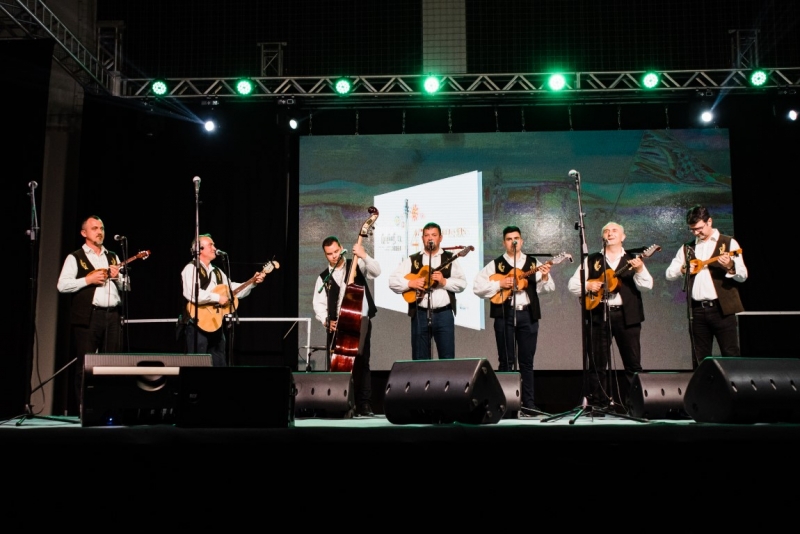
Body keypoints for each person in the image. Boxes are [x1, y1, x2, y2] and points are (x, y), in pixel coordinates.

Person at [567, 222, 653, 407]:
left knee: (633, 364)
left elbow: (647, 285)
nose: (610, 233)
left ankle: (635, 405)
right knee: (598, 365)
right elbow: (573, 285)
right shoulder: (591, 260)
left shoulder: (633, 259)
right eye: (606, 230)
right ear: (602, 237)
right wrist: (588, 285)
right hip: (598, 316)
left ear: (623, 237)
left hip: (627, 317)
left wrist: (639, 269)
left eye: (615, 231)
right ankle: (598, 404)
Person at [473, 226, 554, 415]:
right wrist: (499, 283)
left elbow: (548, 288)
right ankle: (505, 405)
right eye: (509, 239)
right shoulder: (496, 264)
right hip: (504, 314)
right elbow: (477, 287)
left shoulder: (533, 262)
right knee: (505, 361)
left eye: (516, 238)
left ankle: (529, 403)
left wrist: (544, 275)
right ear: (504, 242)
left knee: (527, 361)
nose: (513, 242)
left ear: (522, 241)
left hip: (527, 315)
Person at [57, 215, 130, 407]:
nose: (100, 232)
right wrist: (87, 280)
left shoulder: (112, 256)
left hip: (112, 315)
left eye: (102, 228)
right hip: (89, 316)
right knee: (86, 364)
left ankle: (109, 407)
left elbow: (127, 286)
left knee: (112, 364)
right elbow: (62, 286)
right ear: (84, 233)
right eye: (95, 228)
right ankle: (84, 408)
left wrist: (118, 278)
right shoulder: (75, 257)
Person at [665, 205, 747, 368]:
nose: (696, 233)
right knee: (700, 357)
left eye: (699, 228)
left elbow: (742, 276)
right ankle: (703, 392)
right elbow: (669, 273)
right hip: (697, 310)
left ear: (709, 221)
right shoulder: (688, 248)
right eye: (692, 230)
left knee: (730, 354)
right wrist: (684, 269)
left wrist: (730, 265)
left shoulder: (728, 242)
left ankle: (733, 392)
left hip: (722, 309)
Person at [312, 236, 381, 417]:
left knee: (362, 362)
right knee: (339, 364)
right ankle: (341, 402)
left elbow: (376, 271)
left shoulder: (356, 263)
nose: (334, 256)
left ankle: (364, 404)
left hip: (360, 320)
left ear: (341, 248)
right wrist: (326, 320)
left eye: (336, 251)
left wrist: (364, 255)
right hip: (337, 326)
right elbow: (318, 304)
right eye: (329, 254)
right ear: (325, 255)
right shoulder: (323, 278)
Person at [181, 233, 265, 367]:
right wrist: (217, 297)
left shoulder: (217, 271)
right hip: (197, 324)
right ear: (199, 249)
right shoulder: (191, 268)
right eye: (211, 245)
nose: (214, 248)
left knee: (220, 363)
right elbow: (193, 294)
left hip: (216, 324)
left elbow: (231, 290)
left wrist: (252, 282)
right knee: (197, 366)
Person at [389, 222, 467, 360]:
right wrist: (410, 283)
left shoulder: (449, 258)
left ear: (440, 238)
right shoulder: (413, 259)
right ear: (422, 238)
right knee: (420, 358)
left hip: (444, 314)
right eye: (427, 235)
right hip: (420, 314)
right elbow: (392, 281)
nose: (430, 238)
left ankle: (447, 382)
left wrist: (444, 282)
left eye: (434, 235)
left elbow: (462, 284)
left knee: (447, 358)